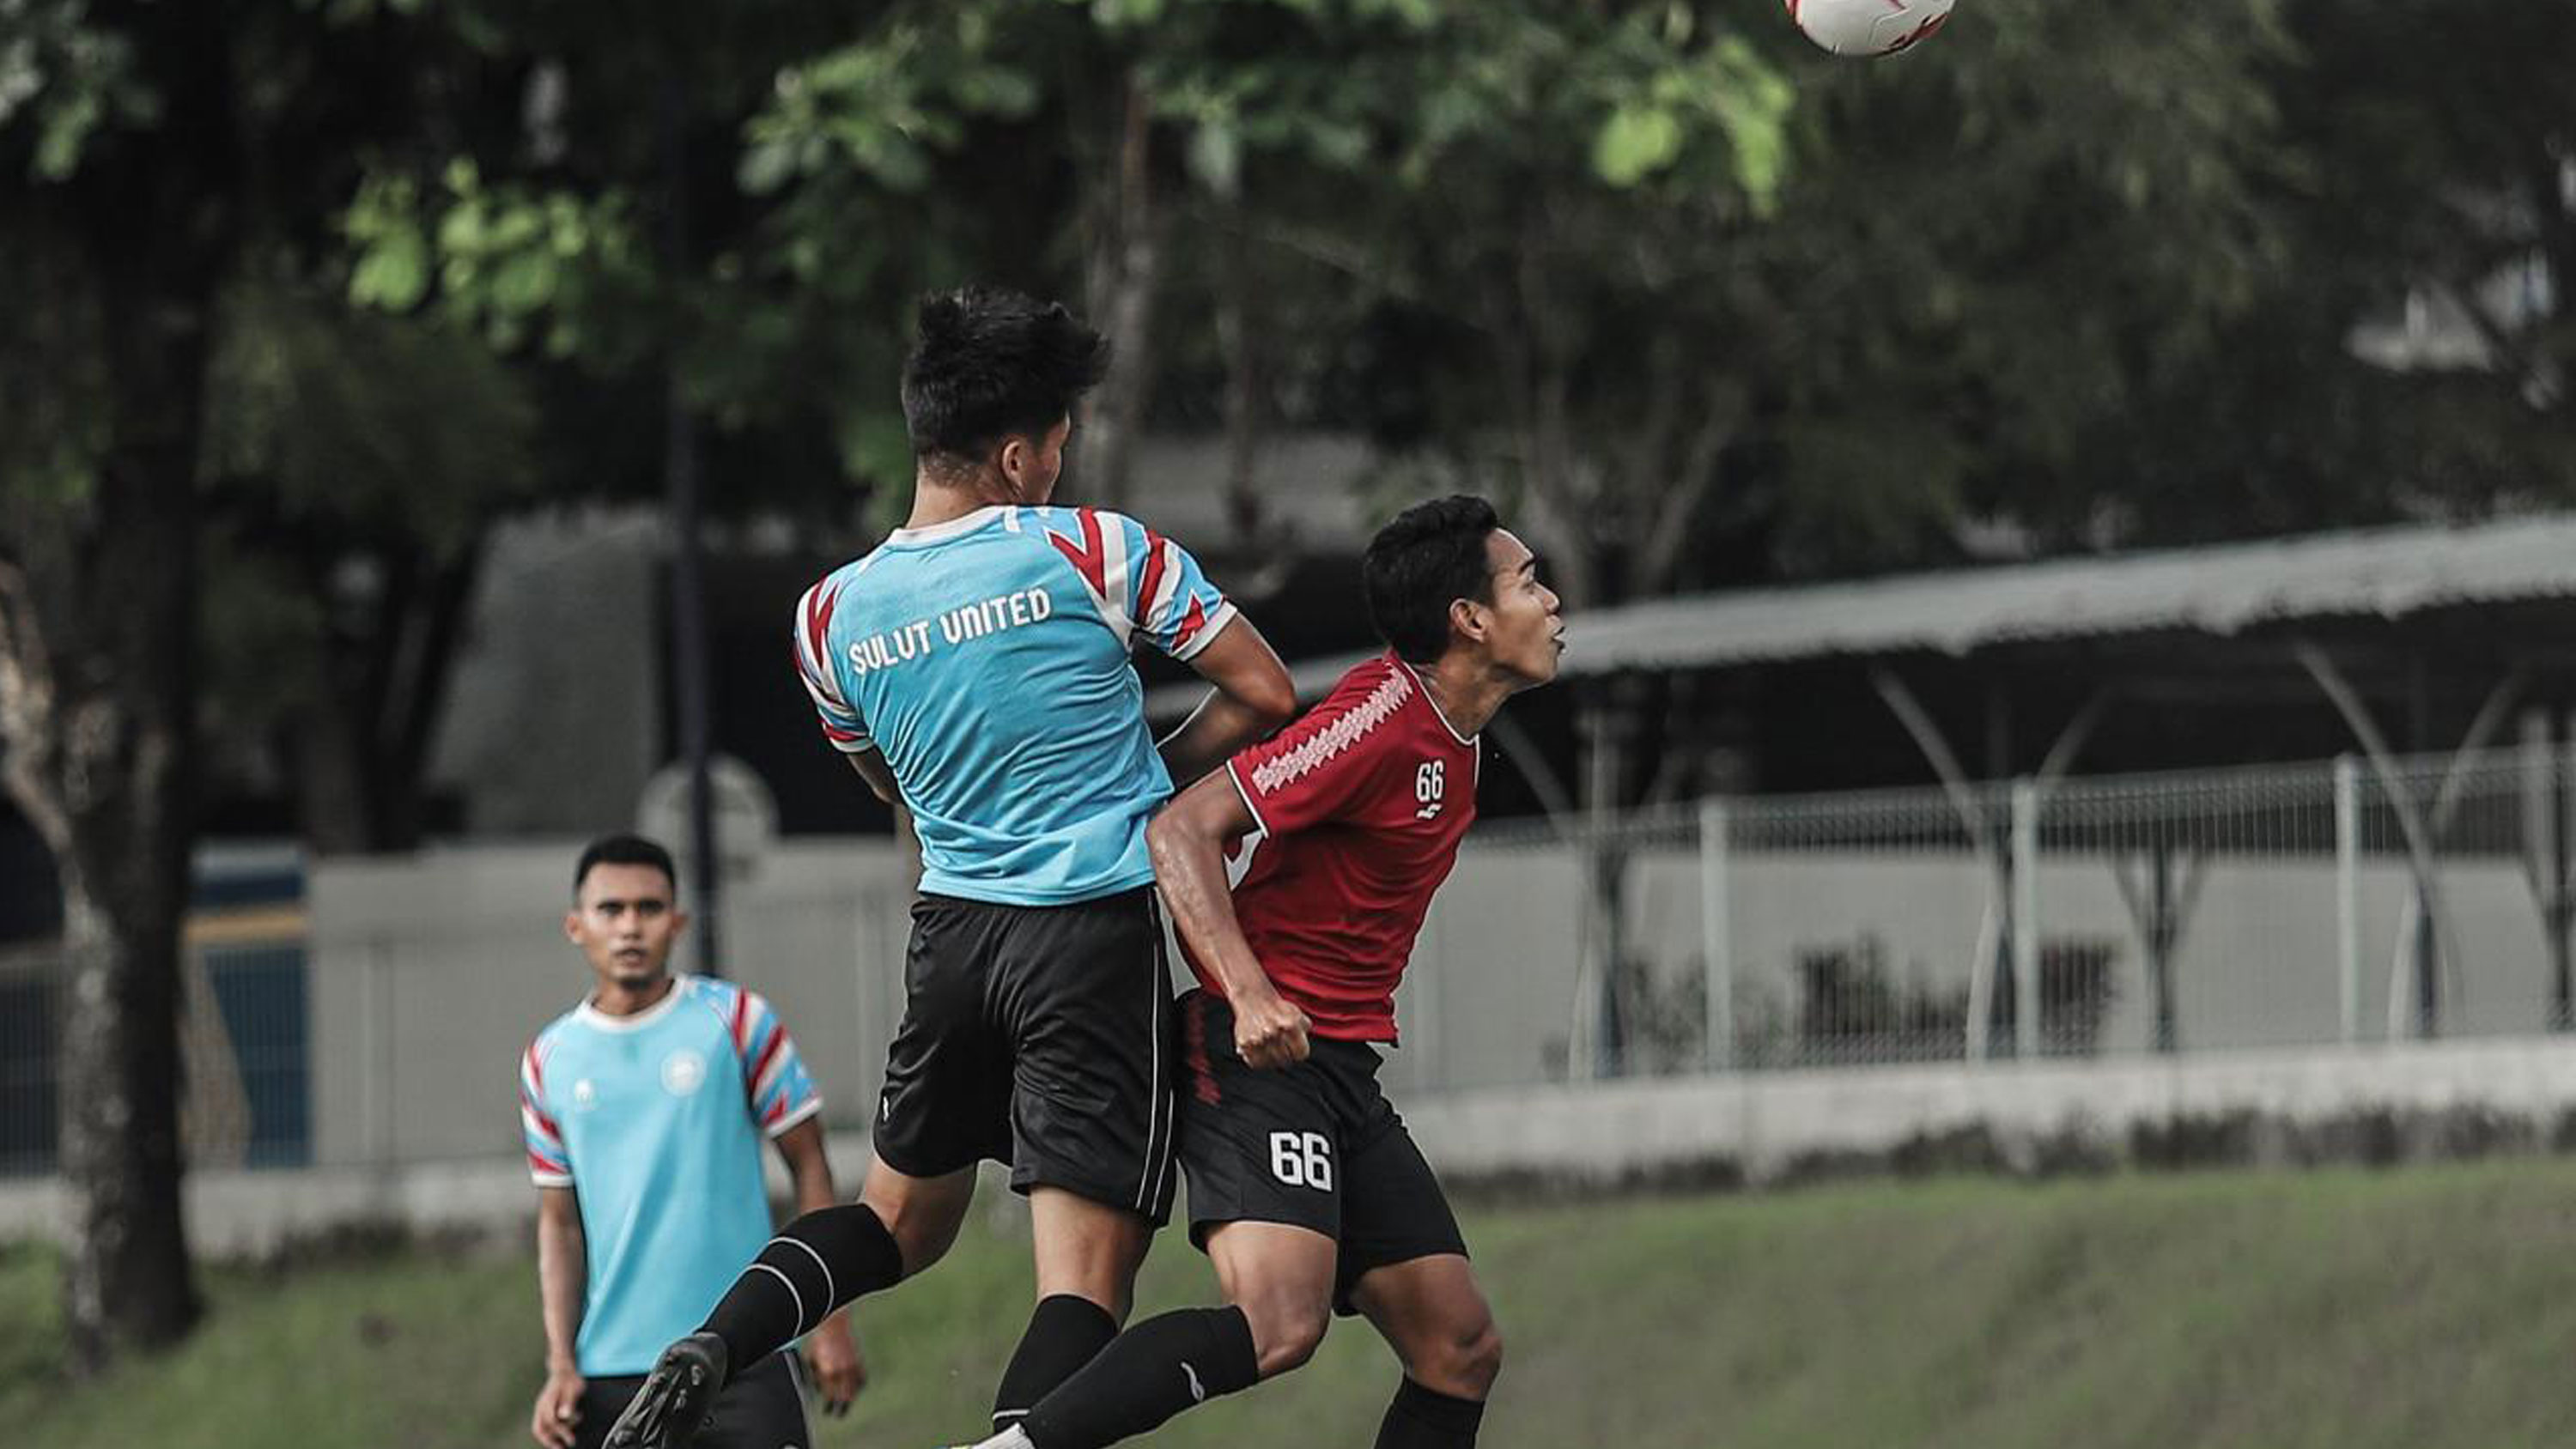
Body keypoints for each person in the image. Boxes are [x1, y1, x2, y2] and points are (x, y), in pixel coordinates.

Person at [605, 286, 1295, 1449]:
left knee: (896, 1222)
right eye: (1058, 451)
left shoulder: (829, 618)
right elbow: (1266, 692)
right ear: (1017, 455)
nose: (1063, 472)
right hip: (1088, 934)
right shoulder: (1093, 548)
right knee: (1084, 1280)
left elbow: (894, 792)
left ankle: (719, 1340)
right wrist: (1146, 781)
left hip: (955, 941)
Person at [962, 494, 1563, 1449]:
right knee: (1282, 1323)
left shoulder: (1458, 737)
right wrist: (1247, 993)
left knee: (1459, 1345)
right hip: (1258, 1058)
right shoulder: (1377, 716)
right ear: (1471, 618)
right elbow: (1182, 830)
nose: (1554, 601)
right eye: (1530, 580)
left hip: (1340, 1071)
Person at [520, 834, 863, 1449]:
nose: (630, 927)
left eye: (649, 908)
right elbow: (559, 1225)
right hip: (616, 1374)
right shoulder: (548, 1059)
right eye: (611, 909)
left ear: (677, 920)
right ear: (576, 925)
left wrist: (829, 1321)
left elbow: (810, 1167)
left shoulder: (737, 1021)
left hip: (749, 1355)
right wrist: (560, 1364)